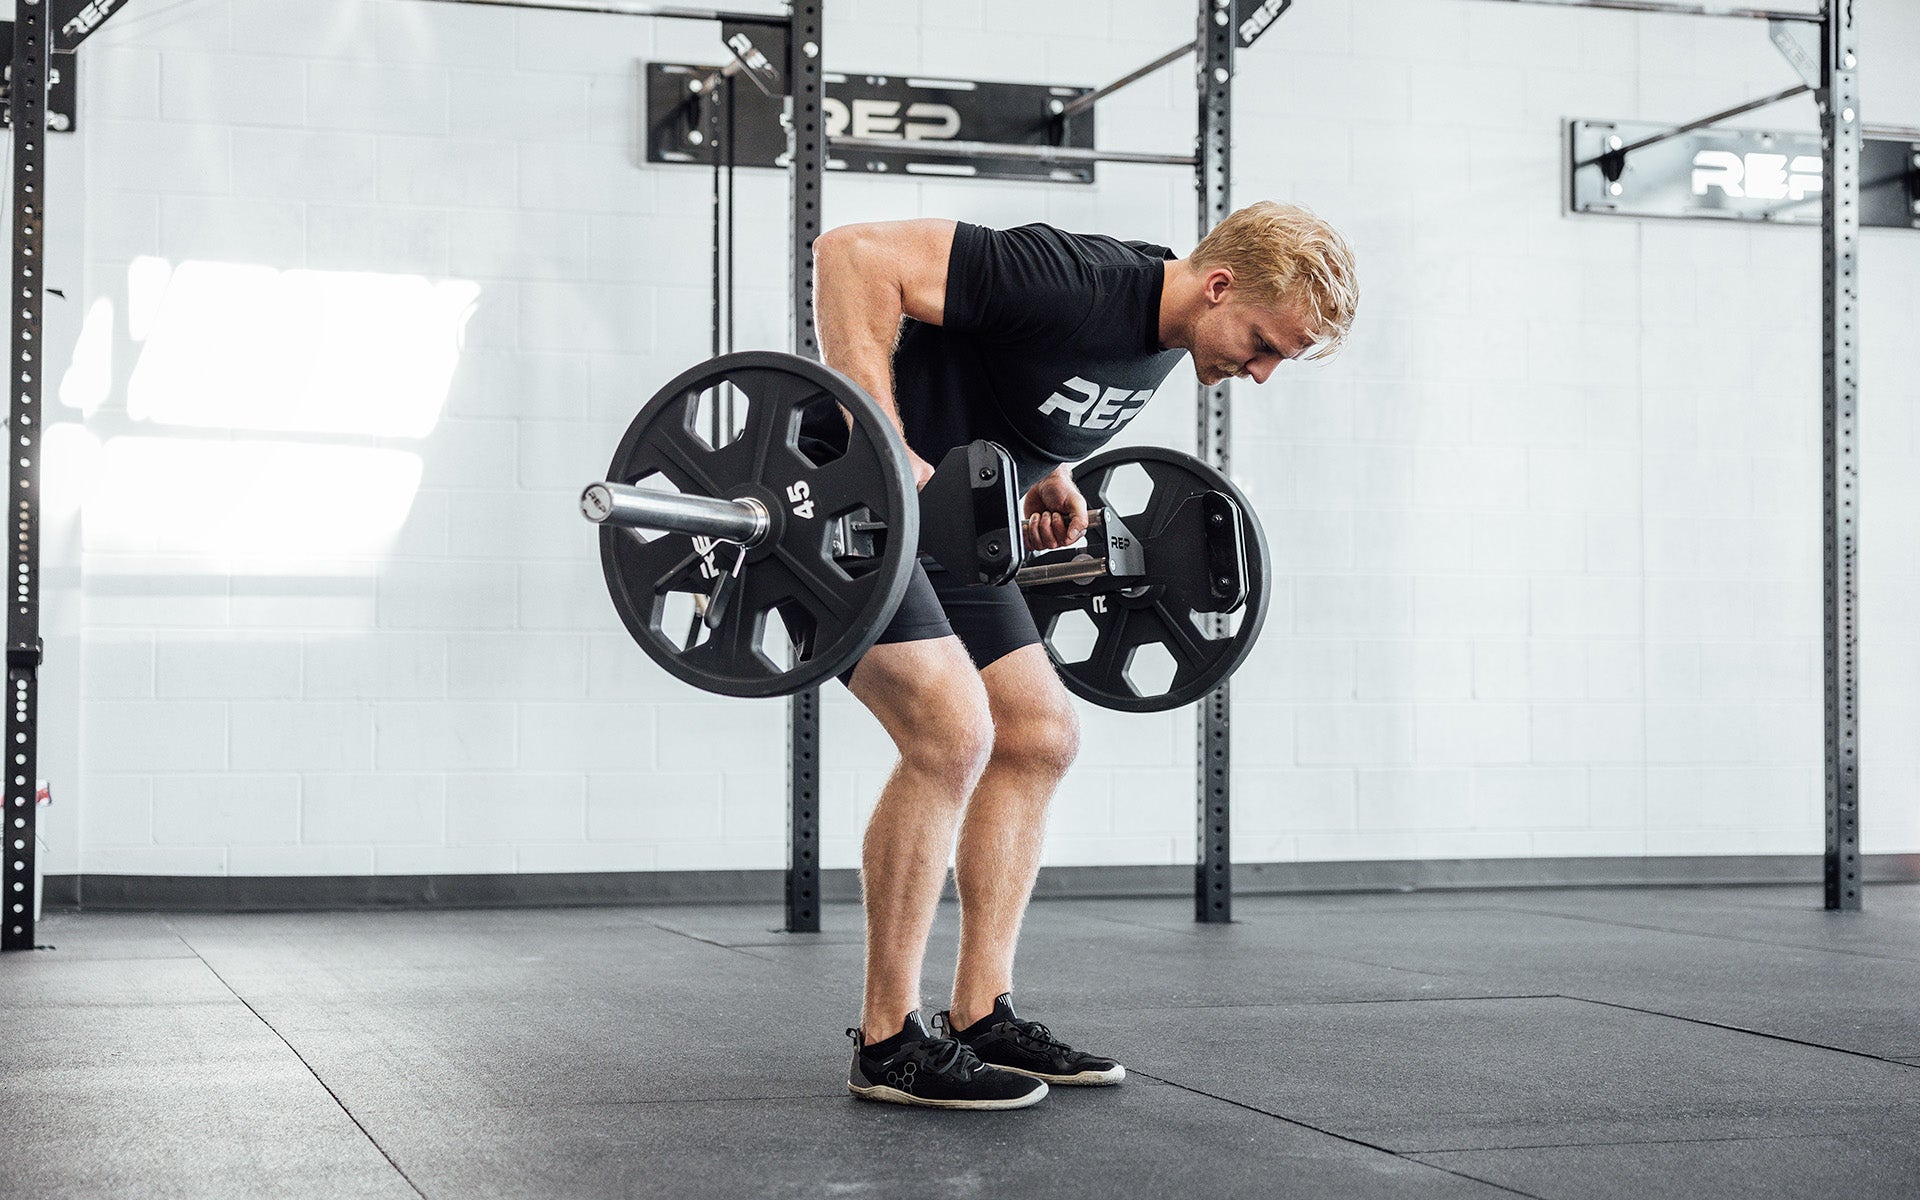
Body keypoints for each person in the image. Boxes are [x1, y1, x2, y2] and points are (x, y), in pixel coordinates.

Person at [806, 201, 1358, 1109]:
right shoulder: (1078, 279)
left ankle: (981, 1015)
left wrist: (1045, 469)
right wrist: (883, 441)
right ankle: (887, 1042)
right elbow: (852, 253)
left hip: (954, 530)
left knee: (1039, 735)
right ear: (1219, 286)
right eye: (1263, 344)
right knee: (950, 736)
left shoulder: (1159, 338)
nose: (1259, 373)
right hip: (848, 514)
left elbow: (1011, 380)